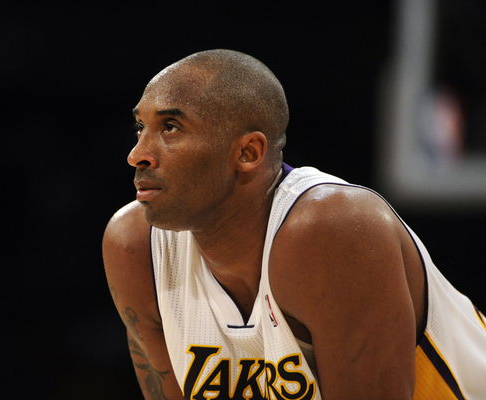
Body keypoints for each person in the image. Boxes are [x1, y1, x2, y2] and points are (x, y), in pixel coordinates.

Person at [102, 49, 486, 400]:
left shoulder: (333, 229)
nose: (138, 154)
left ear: (248, 152)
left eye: (170, 128)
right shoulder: (133, 247)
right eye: (141, 128)